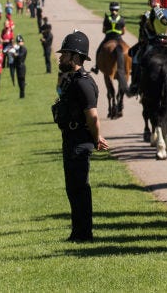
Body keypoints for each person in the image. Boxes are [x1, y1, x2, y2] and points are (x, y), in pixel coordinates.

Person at [53, 31, 108, 242]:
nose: (60, 57)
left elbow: (92, 116)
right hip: (71, 139)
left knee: (79, 188)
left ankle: (84, 233)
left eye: (64, 54)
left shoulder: (83, 83)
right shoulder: (72, 79)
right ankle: (78, 232)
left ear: (76, 56)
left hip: (80, 141)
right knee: (73, 187)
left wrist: (97, 138)